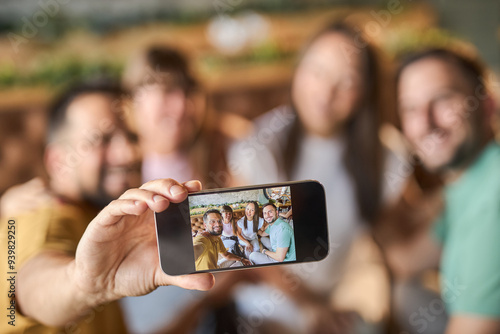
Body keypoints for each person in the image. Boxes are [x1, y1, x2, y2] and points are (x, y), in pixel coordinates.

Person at [227, 20, 406, 333]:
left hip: (348, 285)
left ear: (367, 90)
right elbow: (249, 248)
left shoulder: (387, 155)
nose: (326, 91)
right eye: (317, 71)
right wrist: (308, 304)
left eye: (346, 81)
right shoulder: (260, 146)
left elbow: (392, 234)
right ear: (298, 70)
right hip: (274, 296)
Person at [0, 81, 214, 334]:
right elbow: (31, 283)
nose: (128, 153)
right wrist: (83, 284)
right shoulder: (43, 218)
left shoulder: (100, 218)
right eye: (101, 140)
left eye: (133, 137)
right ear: (58, 162)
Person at [396, 48, 500, 333]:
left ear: (488, 105)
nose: (425, 123)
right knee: (405, 293)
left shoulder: (492, 201)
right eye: (410, 109)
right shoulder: (468, 181)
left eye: (442, 99)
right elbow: (405, 262)